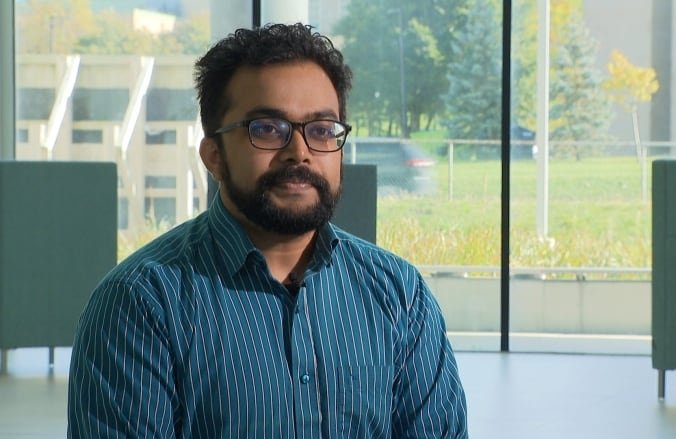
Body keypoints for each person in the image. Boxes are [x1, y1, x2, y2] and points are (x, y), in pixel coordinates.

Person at [67, 23, 468, 438]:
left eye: (322, 130)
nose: (300, 153)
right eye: (266, 129)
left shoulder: (399, 293)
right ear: (214, 156)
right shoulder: (140, 304)